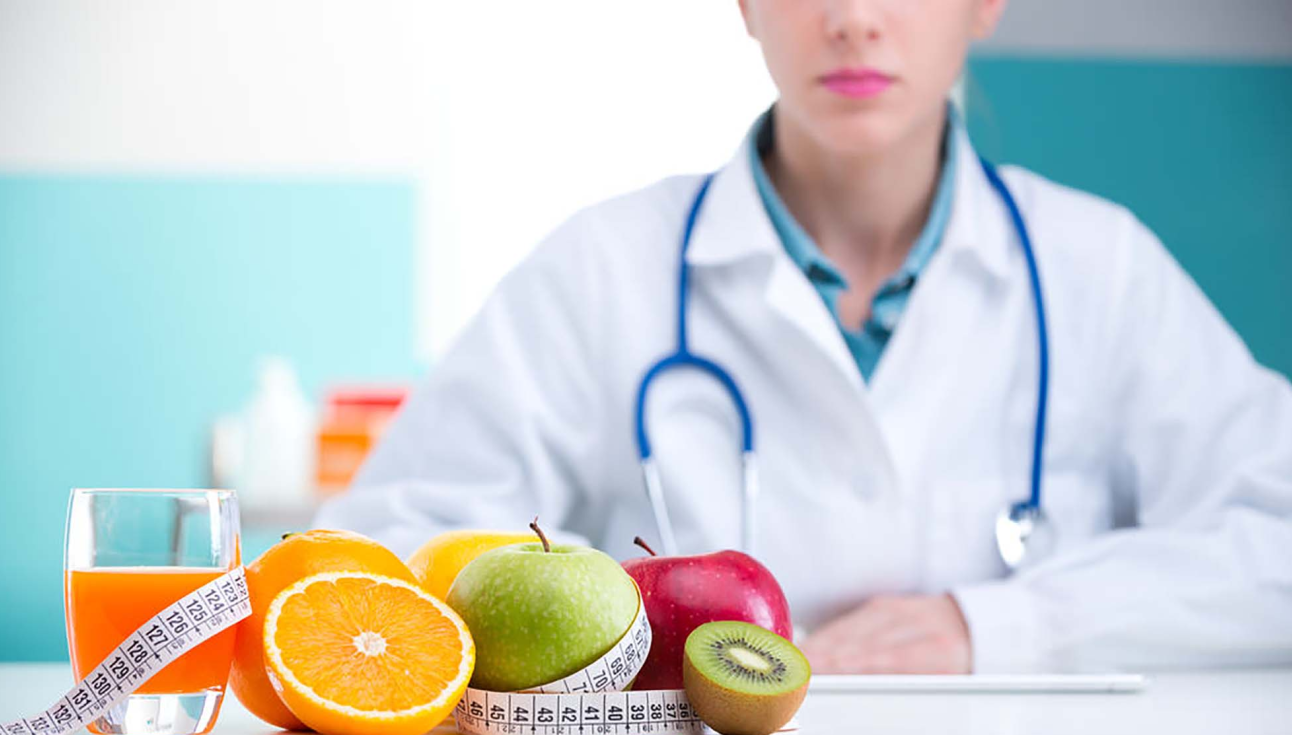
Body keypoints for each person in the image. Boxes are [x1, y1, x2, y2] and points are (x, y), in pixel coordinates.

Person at [316, 0, 1292, 674]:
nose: (853, 17)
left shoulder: (1100, 268)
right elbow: (389, 540)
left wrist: (1005, 625)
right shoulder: (603, 267)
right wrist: (639, 619)